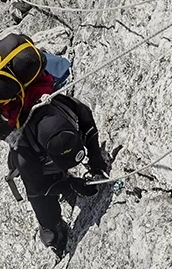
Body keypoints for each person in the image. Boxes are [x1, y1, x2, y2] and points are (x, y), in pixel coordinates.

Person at [8, 93, 112, 254]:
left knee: (58, 171)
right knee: (40, 199)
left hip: (49, 147)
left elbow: (88, 126)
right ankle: (50, 229)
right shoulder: (23, 153)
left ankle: (60, 175)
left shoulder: (67, 106)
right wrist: (69, 185)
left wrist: (95, 159)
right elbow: (37, 187)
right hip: (36, 159)